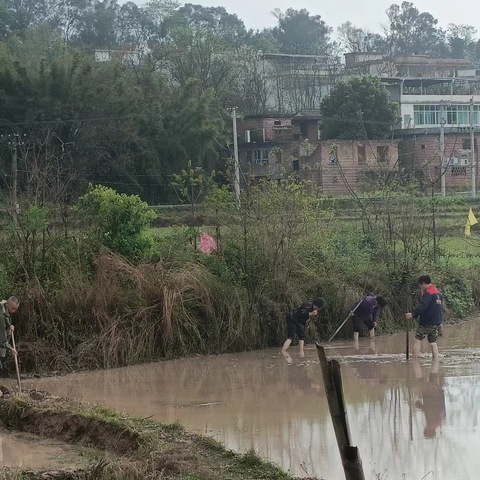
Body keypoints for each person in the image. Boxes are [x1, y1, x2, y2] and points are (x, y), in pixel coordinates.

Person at [405, 275, 443, 360]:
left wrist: (413, 314)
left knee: (417, 339)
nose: (420, 288)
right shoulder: (438, 293)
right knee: (433, 342)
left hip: (426, 323)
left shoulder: (428, 294)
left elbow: (423, 306)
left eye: (420, 285)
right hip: (437, 322)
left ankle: (414, 361)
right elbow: (439, 308)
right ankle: (435, 362)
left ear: (423, 283)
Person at [0, 296, 19, 369]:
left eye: (15, 309)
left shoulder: (6, 312)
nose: (14, 310)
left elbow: (5, 328)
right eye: (12, 308)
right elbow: (2, 340)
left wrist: (9, 327)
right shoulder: (1, 316)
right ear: (7, 304)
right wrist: (11, 348)